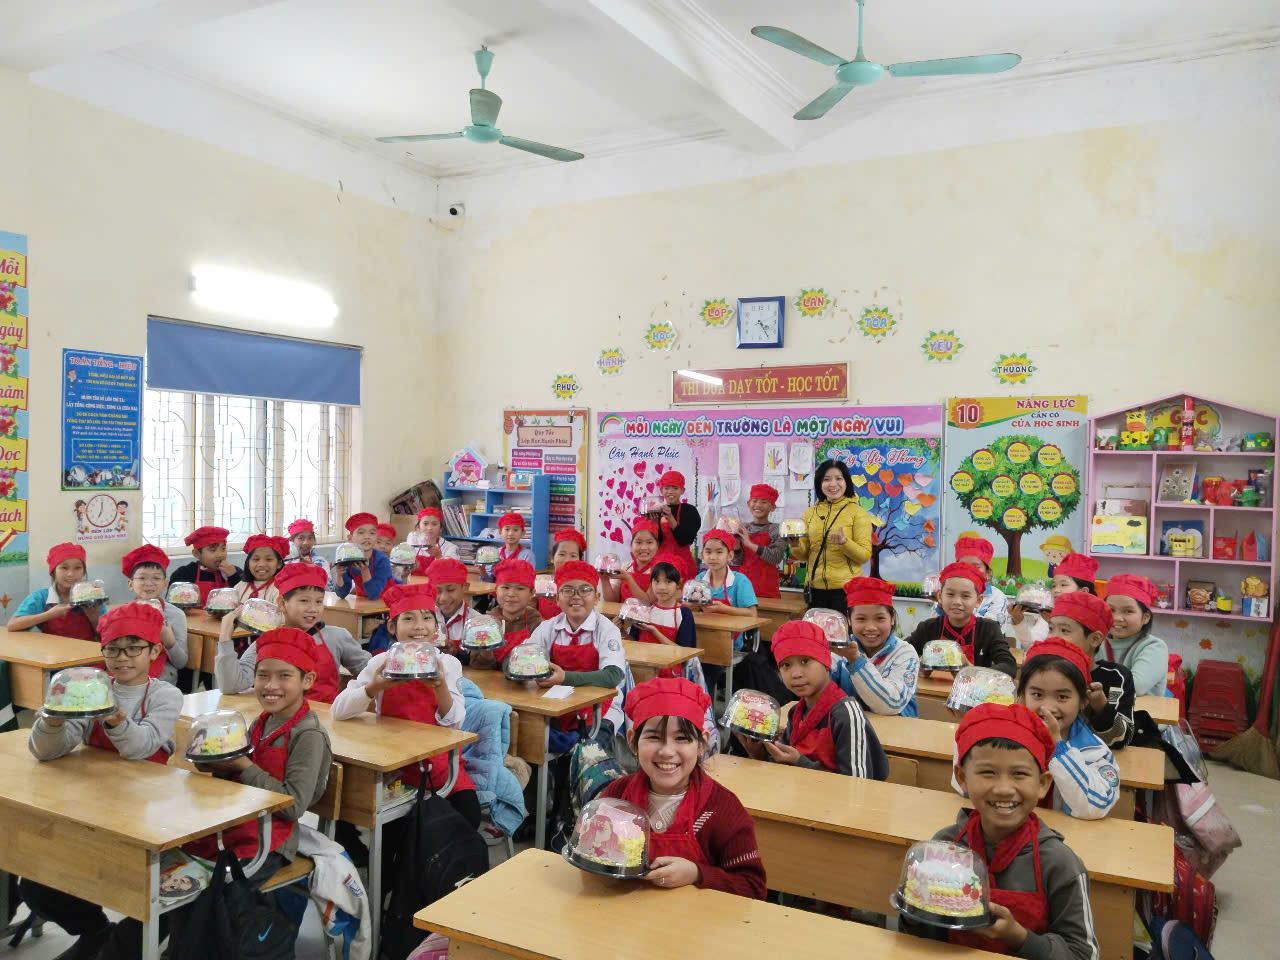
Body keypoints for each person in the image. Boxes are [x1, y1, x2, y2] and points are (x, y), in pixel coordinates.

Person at [20, 603, 183, 960]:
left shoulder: (165, 695)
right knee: (35, 884)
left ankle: (120, 945)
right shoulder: (90, 686)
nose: (122, 658)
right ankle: (94, 931)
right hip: (91, 803)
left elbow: (140, 748)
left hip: (144, 815)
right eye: (113, 649)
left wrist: (113, 716)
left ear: (155, 650)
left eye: (133, 648)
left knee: (132, 890)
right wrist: (52, 720)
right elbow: (47, 752)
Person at [903, 702, 1100, 958]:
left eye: (1019, 774)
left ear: (1042, 783)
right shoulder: (945, 847)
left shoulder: (1059, 864)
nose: (1004, 789)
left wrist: (1018, 937)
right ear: (962, 778)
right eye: (988, 772)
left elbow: (1083, 954)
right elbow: (922, 941)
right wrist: (914, 910)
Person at [332, 582, 479, 884]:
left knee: (469, 815)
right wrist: (373, 688)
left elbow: (455, 723)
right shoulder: (379, 663)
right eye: (408, 619)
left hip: (442, 767)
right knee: (392, 844)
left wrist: (439, 686)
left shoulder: (448, 664)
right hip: (394, 770)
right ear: (392, 626)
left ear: (436, 627)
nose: (419, 626)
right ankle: (395, 895)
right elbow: (339, 710)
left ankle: (439, 882)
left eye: (427, 618)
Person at [184, 627, 333, 892]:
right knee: (177, 870)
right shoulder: (261, 722)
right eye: (262, 675)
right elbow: (237, 776)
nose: (271, 685)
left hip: (271, 841)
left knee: (212, 890)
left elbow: (293, 806)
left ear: (307, 680)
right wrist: (214, 762)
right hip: (237, 823)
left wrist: (243, 765)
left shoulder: (309, 734)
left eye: (284, 676)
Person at [600, 677, 765, 898]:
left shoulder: (722, 809)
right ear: (632, 742)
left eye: (682, 738)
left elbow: (753, 887)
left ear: (702, 744)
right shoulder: (616, 797)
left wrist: (697, 874)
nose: (667, 751)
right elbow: (592, 857)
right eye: (654, 737)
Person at [738, 620, 887, 778]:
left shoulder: (847, 715)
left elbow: (858, 785)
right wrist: (760, 755)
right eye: (786, 665)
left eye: (805, 661)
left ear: (826, 663)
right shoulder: (796, 712)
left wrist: (800, 763)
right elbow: (784, 769)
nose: (796, 674)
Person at [215, 562, 369, 703]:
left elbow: (370, 671)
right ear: (282, 603)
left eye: (319, 601)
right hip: (280, 716)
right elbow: (231, 685)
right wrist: (225, 637)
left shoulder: (337, 637)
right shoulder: (269, 640)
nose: (313, 609)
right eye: (304, 601)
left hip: (325, 720)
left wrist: (351, 698)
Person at [1016, 639, 1119, 819]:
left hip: (1063, 834)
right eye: (1037, 695)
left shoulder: (1094, 751)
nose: (1048, 708)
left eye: (1062, 697)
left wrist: (1058, 748)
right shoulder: (1006, 737)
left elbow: (1095, 806)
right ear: (1022, 696)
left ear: (1083, 701)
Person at [525, 560, 626, 736]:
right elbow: (523, 658)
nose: (576, 596)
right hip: (557, 706)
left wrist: (565, 678)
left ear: (596, 597)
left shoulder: (606, 629)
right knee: (532, 736)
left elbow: (613, 675)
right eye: (567, 590)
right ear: (557, 598)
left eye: (585, 590)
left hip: (599, 709)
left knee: (588, 748)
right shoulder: (548, 627)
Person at [1046, 592, 1135, 749]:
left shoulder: (1115, 677)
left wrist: (1101, 706)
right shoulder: (1041, 671)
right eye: (1051, 628)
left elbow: (1121, 740)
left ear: (1095, 639)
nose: (1053, 637)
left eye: (1065, 630)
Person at [907, 562, 1017, 677]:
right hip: (931, 688)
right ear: (940, 596)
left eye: (965, 596)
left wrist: (973, 671)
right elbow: (901, 653)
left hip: (975, 687)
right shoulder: (928, 628)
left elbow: (1009, 666)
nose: (957, 602)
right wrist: (918, 664)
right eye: (950, 594)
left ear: (978, 601)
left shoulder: (989, 629)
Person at [792, 459, 872, 615]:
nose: (833, 484)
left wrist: (845, 543)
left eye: (838, 478)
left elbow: (864, 555)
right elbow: (804, 555)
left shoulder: (858, 513)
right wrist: (795, 545)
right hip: (814, 590)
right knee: (816, 631)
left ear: (846, 482)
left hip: (845, 591)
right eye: (826, 479)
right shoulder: (810, 513)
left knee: (842, 631)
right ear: (820, 483)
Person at [835, 576, 919, 717]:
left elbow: (892, 704)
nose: (871, 627)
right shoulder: (839, 650)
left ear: (892, 618)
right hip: (852, 727)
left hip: (898, 729)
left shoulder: (905, 653)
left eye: (880, 618)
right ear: (849, 620)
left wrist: (855, 661)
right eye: (861, 619)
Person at [121, 544, 189, 686]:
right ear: (130, 584)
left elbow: (181, 663)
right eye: (142, 578)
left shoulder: (176, 615)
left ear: (165, 584)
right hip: (126, 671)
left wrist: (169, 641)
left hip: (162, 677)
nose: (149, 583)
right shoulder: (122, 614)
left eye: (156, 578)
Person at [9, 542, 104, 641]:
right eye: (64, 568)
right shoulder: (41, 597)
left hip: (87, 650)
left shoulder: (92, 597)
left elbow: (106, 638)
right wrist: (48, 615)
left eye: (78, 568)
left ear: (83, 571)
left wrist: (94, 618)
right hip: (50, 650)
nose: (70, 574)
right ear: (53, 572)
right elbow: (12, 625)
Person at [626, 561, 699, 680]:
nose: (662, 587)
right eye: (657, 581)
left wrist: (655, 632)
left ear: (678, 585)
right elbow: (634, 643)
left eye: (668, 581)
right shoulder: (644, 610)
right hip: (641, 672)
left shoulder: (683, 614)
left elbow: (685, 653)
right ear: (651, 584)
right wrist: (621, 632)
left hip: (670, 676)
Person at [1103, 574, 1168, 697]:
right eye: (1111, 610)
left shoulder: (1154, 647)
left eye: (1128, 611)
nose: (1117, 618)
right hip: (1103, 708)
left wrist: (1092, 685)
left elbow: (1135, 686)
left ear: (1145, 617)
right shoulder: (1097, 641)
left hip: (1138, 709)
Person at [471, 558, 541, 668]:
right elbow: (475, 665)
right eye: (505, 587)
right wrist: (486, 653)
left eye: (520, 589)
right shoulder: (485, 624)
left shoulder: (538, 625)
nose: (511, 594)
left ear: (532, 593)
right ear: (496, 590)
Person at [732, 483, 785, 599]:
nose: (758, 505)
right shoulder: (743, 528)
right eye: (755, 501)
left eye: (764, 502)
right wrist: (736, 546)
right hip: (743, 588)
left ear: (772, 507)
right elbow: (737, 562)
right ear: (748, 504)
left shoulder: (776, 529)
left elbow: (776, 557)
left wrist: (750, 544)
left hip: (767, 589)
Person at [948, 534, 1011, 629]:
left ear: (987, 573)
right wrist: (941, 608)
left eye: (976, 567)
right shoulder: (947, 592)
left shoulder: (997, 597)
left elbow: (992, 630)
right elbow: (934, 627)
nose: (969, 570)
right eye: (963, 565)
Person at [169, 525, 243, 606]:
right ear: (197, 554)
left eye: (223, 549)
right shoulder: (184, 573)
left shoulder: (235, 571)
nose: (220, 555)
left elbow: (245, 599)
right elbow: (175, 605)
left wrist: (234, 576)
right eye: (213, 550)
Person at [648, 470, 700, 581]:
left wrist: (671, 518)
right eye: (666, 488)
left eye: (675, 488)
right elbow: (656, 543)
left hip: (683, 565)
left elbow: (685, 540)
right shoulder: (657, 510)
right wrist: (655, 523)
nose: (670, 492)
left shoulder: (689, 511)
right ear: (661, 490)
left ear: (682, 491)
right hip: (661, 565)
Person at [335, 511, 394, 600]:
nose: (367, 537)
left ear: (376, 537)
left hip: (388, 601)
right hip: (363, 603)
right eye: (361, 532)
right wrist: (339, 576)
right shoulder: (348, 558)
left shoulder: (382, 560)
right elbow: (341, 594)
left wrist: (365, 570)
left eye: (372, 533)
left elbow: (374, 594)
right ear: (350, 538)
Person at [601, 518, 660, 604]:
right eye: (638, 542)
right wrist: (604, 579)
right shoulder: (625, 567)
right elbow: (612, 601)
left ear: (657, 546)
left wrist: (628, 579)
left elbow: (648, 603)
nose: (644, 547)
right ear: (631, 545)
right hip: (623, 613)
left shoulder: (660, 570)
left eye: (649, 542)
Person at [428, 558, 477, 657]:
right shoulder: (425, 618)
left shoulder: (475, 622)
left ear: (465, 587)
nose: (444, 598)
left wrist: (457, 653)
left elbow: (479, 660)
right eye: (437, 591)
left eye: (450, 590)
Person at [538, 528, 586, 618]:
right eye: (562, 554)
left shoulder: (585, 590)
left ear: (580, 561)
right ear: (552, 558)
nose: (567, 560)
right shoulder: (541, 585)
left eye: (573, 556)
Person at [233, 533, 288, 604]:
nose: (261, 564)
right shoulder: (240, 586)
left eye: (269, 559)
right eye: (256, 559)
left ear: (279, 564)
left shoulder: (280, 589)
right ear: (248, 563)